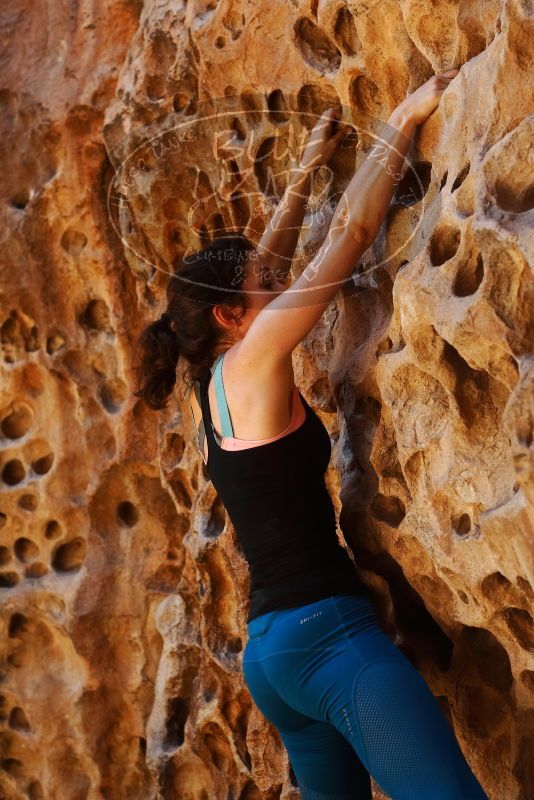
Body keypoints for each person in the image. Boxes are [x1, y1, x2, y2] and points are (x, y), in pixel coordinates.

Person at [134, 69, 489, 799]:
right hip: (331, 640)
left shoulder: (212, 383)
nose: (281, 281)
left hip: (272, 659)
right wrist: (402, 119)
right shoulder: (256, 356)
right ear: (232, 317)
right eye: (267, 283)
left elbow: (267, 259)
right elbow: (353, 233)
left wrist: (302, 177)